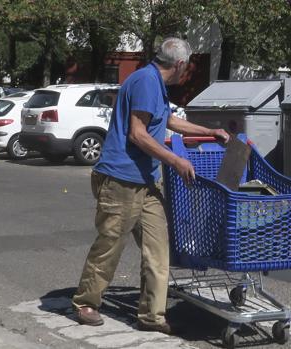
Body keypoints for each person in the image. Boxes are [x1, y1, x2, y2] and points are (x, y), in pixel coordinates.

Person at [71, 37, 229, 334]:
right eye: (187, 67)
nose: (186, 72)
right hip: (122, 179)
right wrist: (176, 161)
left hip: (146, 181)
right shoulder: (145, 80)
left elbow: (167, 119)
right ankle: (86, 302)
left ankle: (152, 316)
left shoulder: (155, 83)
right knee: (110, 244)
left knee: (158, 246)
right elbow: (138, 134)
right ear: (180, 65)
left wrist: (209, 131)